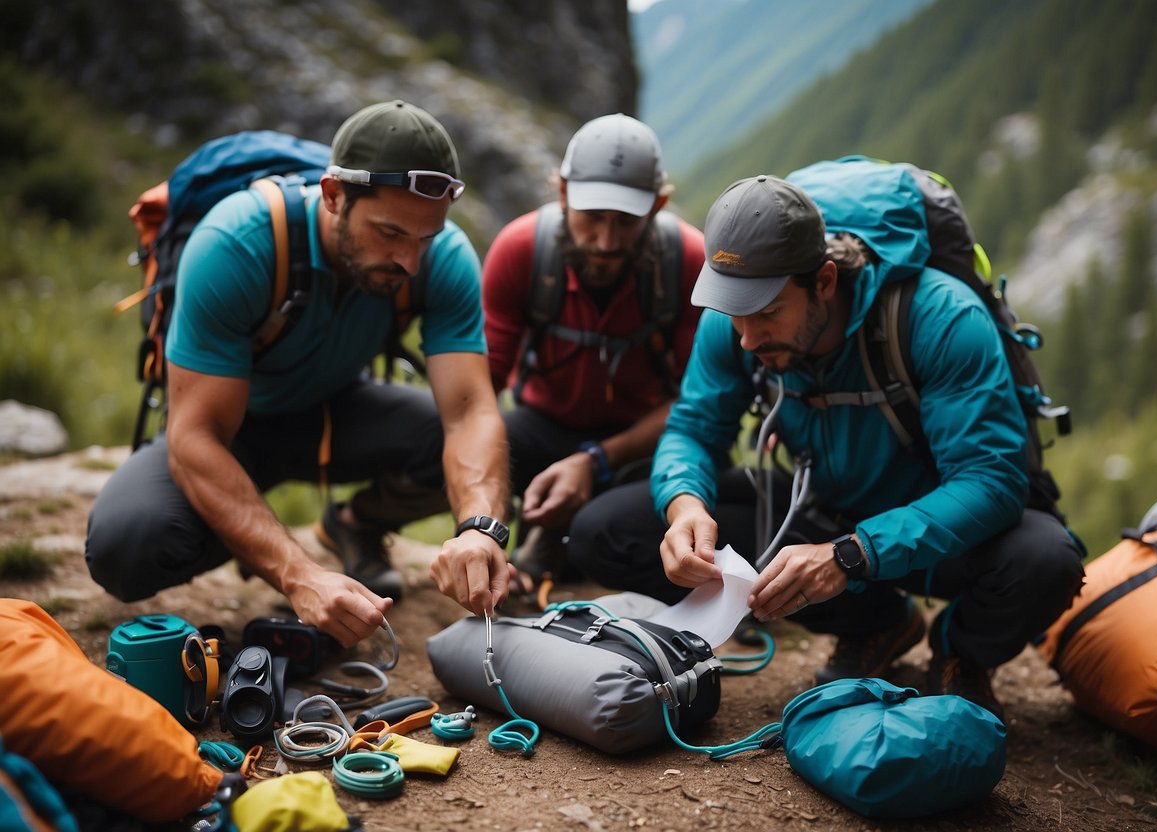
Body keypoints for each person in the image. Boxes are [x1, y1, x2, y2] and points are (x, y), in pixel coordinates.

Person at [568, 174, 1086, 717]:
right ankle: (880, 623)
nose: (747, 338)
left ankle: (963, 655)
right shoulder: (739, 323)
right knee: (607, 529)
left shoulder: (940, 319)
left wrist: (850, 555)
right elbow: (693, 427)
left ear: (824, 282)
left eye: (768, 312)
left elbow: (991, 482)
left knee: (1045, 561)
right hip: (823, 512)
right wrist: (684, 506)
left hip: (942, 535)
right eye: (735, 311)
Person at [86, 100, 514, 646]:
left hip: (334, 412)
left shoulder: (444, 257)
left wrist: (480, 527)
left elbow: (470, 411)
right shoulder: (237, 243)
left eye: (424, 238)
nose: (410, 261)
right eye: (389, 233)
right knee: (128, 549)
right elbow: (194, 437)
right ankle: (254, 537)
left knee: (498, 445)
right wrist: (297, 573)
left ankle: (355, 525)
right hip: (227, 431)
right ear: (334, 196)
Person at [481, 113, 704, 584]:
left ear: (658, 204)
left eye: (626, 222)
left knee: (604, 524)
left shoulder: (687, 261)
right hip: (543, 431)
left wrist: (596, 459)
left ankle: (567, 539)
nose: (607, 240)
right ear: (562, 194)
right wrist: (482, 527)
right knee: (479, 435)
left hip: (644, 444)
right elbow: (481, 392)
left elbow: (699, 403)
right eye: (592, 218)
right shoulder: (520, 250)